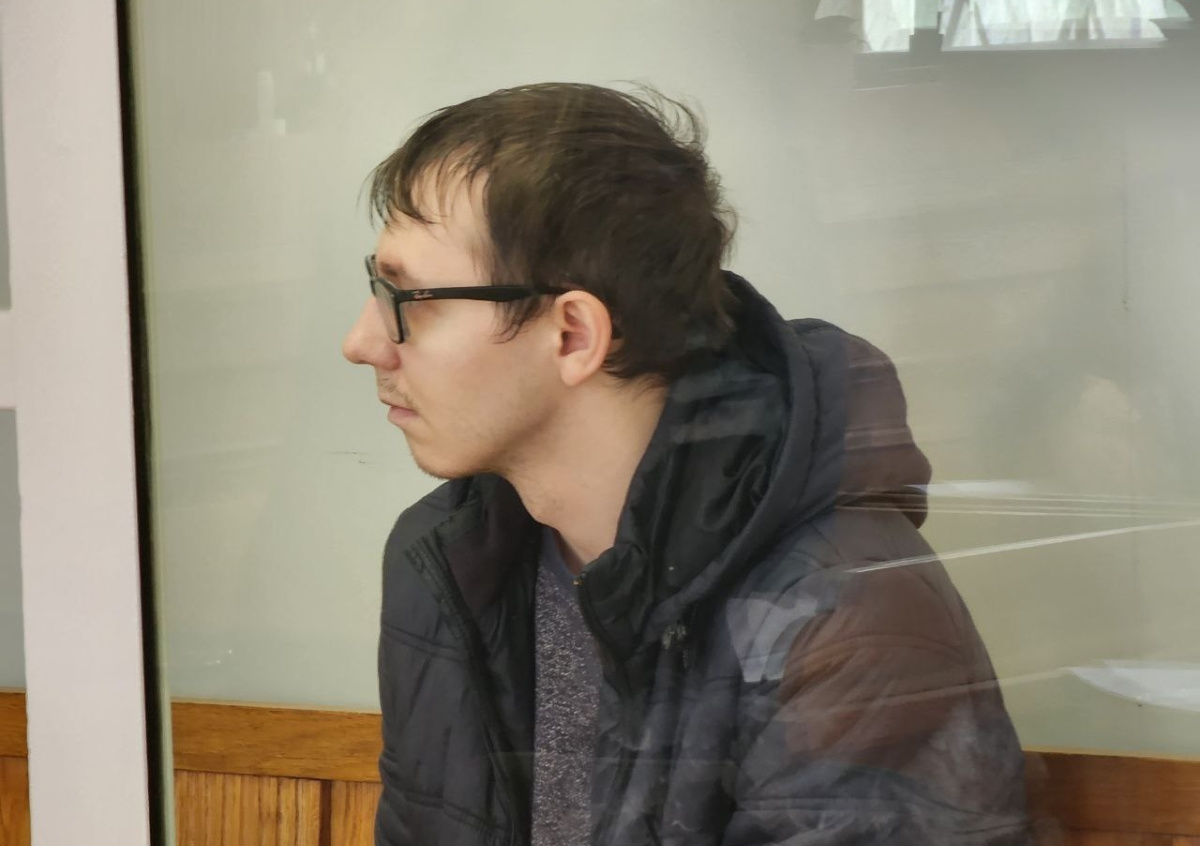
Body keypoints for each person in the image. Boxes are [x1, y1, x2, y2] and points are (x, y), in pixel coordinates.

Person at [342, 82, 1032, 846]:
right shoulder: (447, 559)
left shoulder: (841, 618)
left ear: (574, 335)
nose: (362, 342)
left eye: (410, 299)